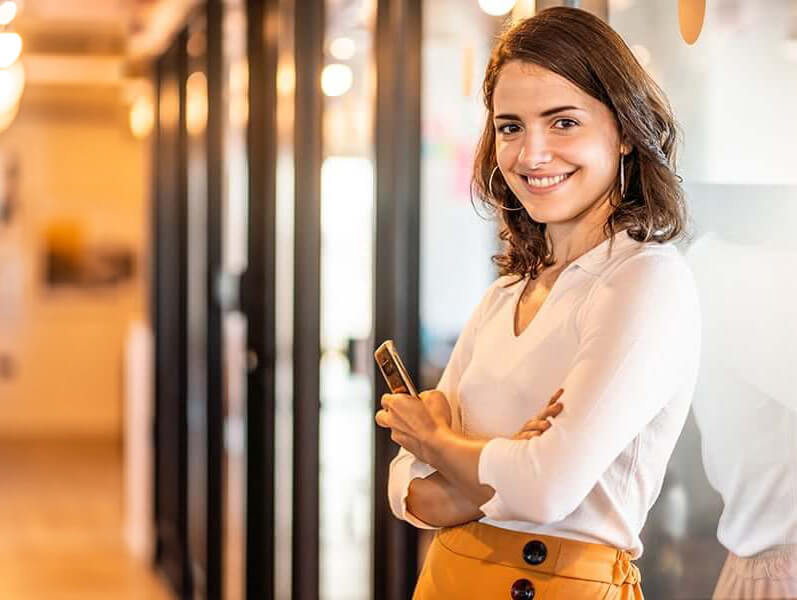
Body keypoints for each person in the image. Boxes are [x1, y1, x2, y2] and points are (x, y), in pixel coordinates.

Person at [374, 7, 701, 599]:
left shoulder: (645, 280)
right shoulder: (504, 294)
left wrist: (439, 445)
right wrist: (490, 471)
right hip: (448, 578)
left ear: (625, 130)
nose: (531, 155)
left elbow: (549, 488)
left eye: (564, 122)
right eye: (510, 127)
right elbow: (405, 491)